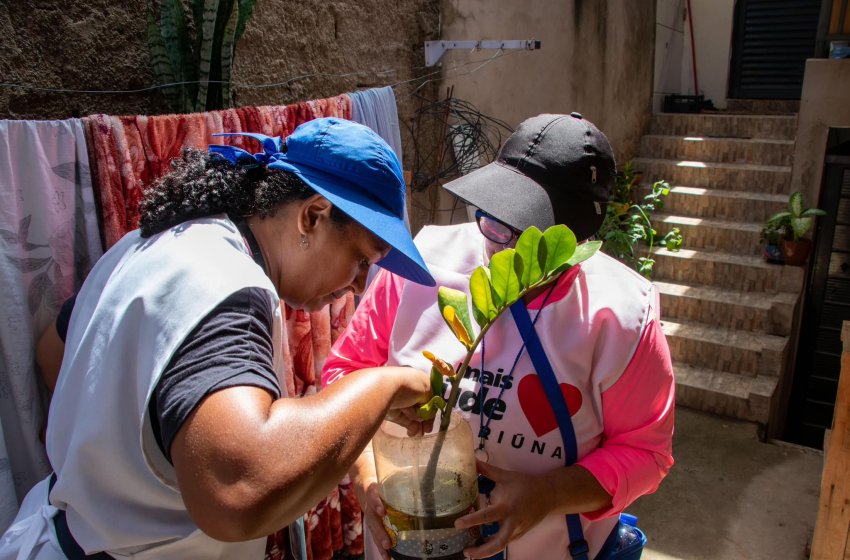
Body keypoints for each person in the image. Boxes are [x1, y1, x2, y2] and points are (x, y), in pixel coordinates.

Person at [0, 118, 436, 559]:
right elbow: (239, 493)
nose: (359, 285)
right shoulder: (226, 286)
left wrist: (123, 461)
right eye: (361, 260)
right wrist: (383, 384)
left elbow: (53, 354)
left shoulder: (147, 244)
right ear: (313, 216)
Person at [322, 113, 675, 559]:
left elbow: (646, 453)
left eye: (523, 232)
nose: (497, 243)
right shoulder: (420, 264)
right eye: (491, 218)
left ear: (575, 238)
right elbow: (345, 374)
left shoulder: (622, 315)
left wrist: (547, 494)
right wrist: (367, 479)